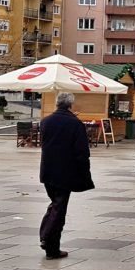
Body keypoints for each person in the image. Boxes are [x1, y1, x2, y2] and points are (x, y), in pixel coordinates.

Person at [38, 92, 94, 260]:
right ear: (70, 105)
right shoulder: (75, 124)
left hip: (47, 171)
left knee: (55, 204)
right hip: (65, 172)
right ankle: (49, 243)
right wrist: (85, 173)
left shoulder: (46, 121)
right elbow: (82, 152)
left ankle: (46, 237)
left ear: (56, 104)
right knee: (59, 208)